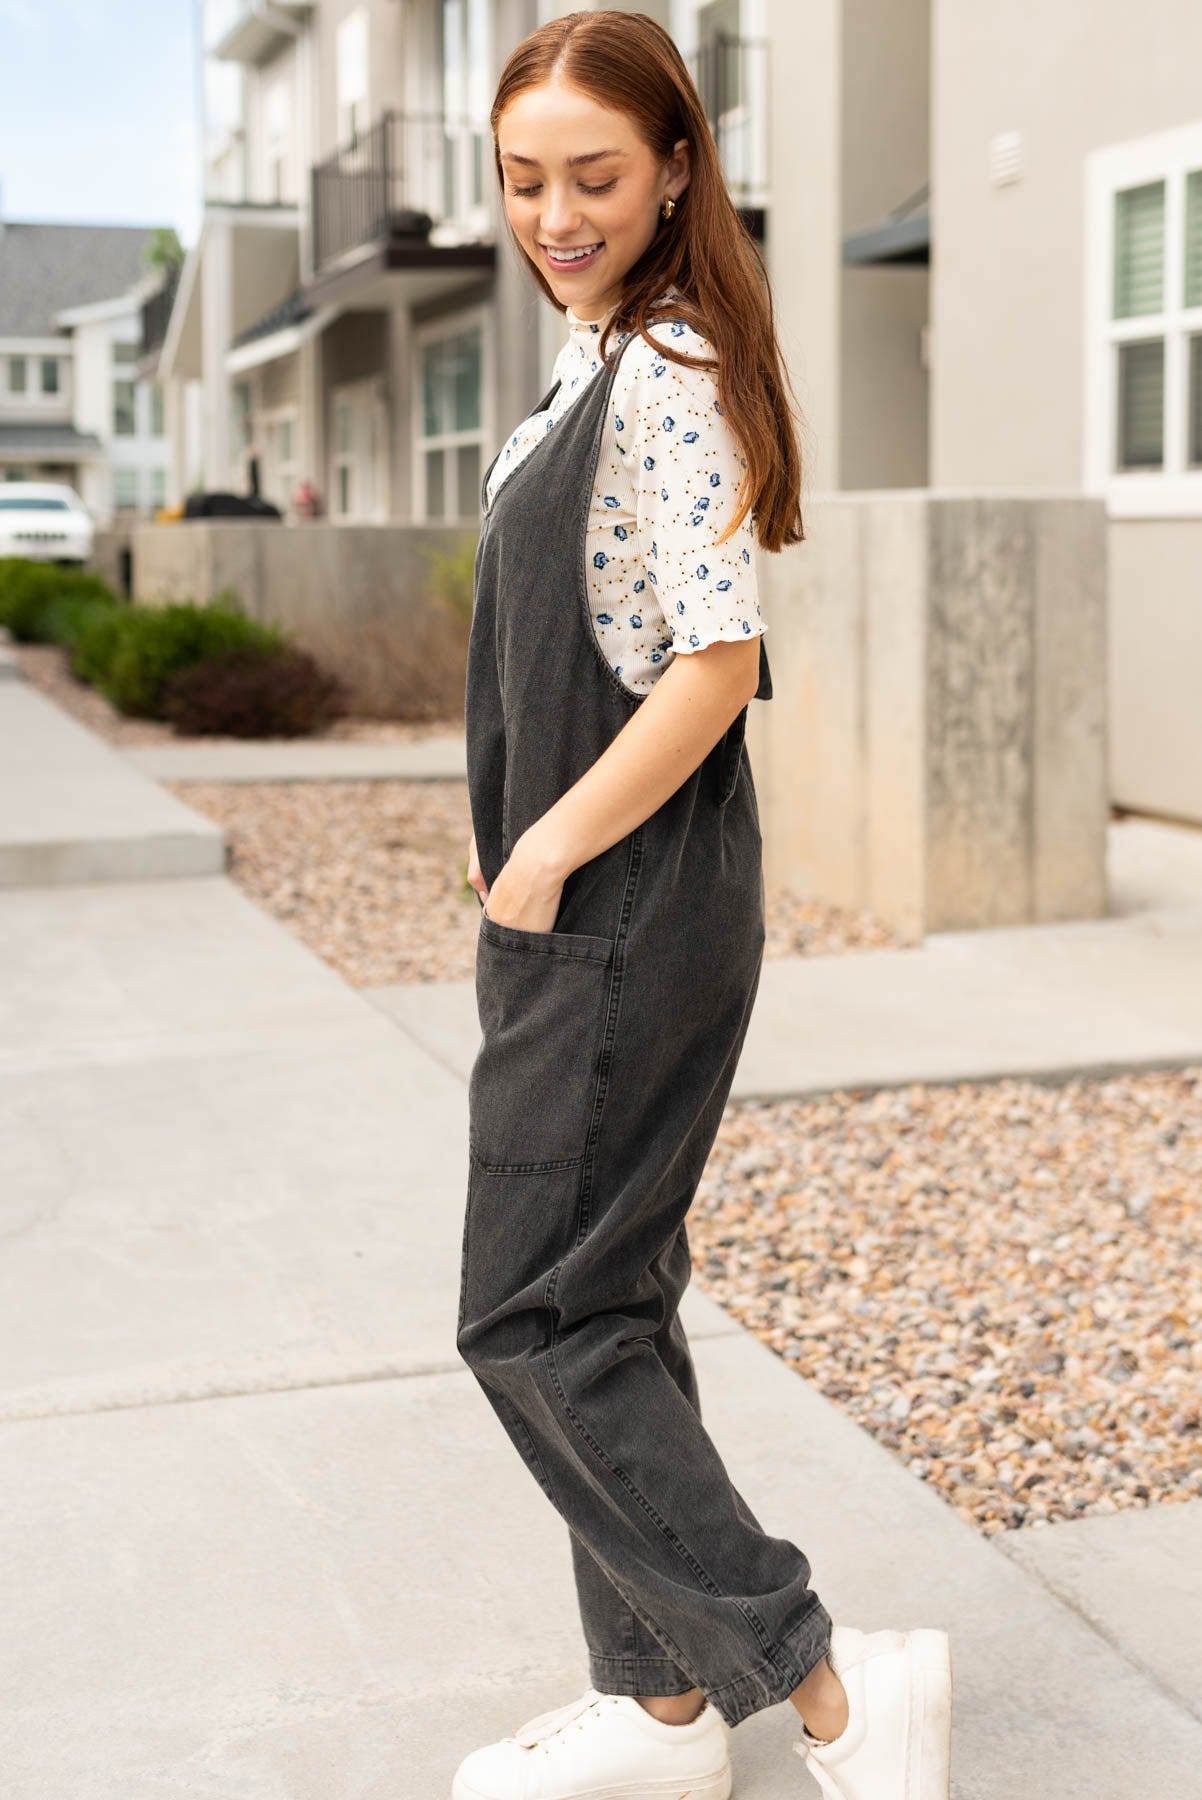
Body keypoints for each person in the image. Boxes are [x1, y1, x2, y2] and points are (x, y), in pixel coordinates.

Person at [454, 12, 953, 1798]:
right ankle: (656, 1706)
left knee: (526, 1319)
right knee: (608, 1300)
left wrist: (539, 854)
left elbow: (713, 663)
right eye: (523, 179)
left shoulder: (663, 367)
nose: (554, 212)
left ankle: (816, 1681)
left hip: (617, 904)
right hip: (590, 907)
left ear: (676, 169)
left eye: (594, 175)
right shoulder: (588, 362)